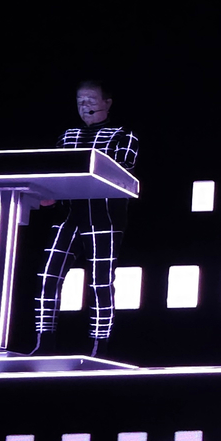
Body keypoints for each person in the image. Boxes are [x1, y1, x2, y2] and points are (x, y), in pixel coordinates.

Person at [30, 80, 139, 356]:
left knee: (100, 281)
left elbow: (122, 173)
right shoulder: (67, 136)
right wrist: (46, 191)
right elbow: (53, 169)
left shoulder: (123, 135)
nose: (85, 105)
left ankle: (99, 345)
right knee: (48, 275)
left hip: (104, 216)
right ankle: (44, 342)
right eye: (80, 100)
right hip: (69, 214)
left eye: (91, 99)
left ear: (107, 103)